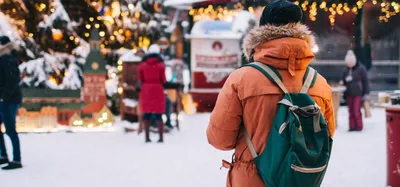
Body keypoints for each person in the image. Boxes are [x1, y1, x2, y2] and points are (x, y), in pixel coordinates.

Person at [206, 1, 336, 186]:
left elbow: (220, 139)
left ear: (262, 31)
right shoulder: (320, 84)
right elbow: (326, 137)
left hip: (251, 179)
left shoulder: (241, 79)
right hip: (298, 178)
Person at [0, 36, 23, 170]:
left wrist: (4, 96)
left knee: (10, 129)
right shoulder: (4, 58)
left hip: (8, 100)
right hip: (5, 99)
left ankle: (16, 159)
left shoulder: (7, 58)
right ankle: (3, 155)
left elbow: (12, 80)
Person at [137, 44, 166, 143]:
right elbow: (163, 79)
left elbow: (140, 79)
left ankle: (147, 137)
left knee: (146, 114)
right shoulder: (161, 65)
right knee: (159, 114)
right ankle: (161, 137)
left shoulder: (142, 65)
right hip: (158, 89)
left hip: (146, 90)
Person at [341, 50, 370, 131]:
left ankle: (359, 126)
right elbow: (344, 80)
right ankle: (352, 126)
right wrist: (342, 82)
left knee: (356, 110)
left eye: (350, 63)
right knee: (351, 111)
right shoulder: (346, 70)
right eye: (348, 63)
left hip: (358, 93)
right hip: (349, 93)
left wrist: (366, 93)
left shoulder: (361, 69)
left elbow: (365, 81)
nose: (349, 64)